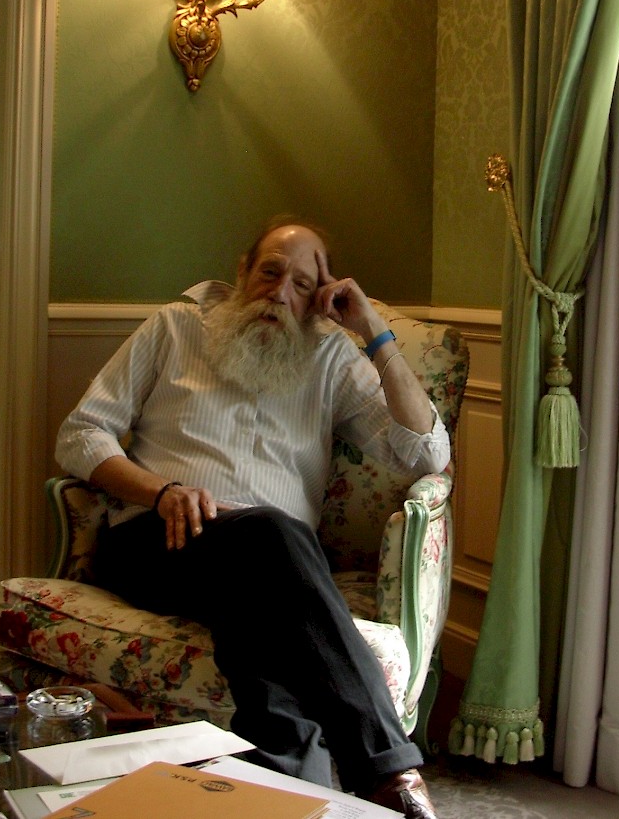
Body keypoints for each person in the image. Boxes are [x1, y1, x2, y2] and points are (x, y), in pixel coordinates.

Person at [55, 217, 449, 819]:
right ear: (243, 271)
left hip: (269, 566)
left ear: (319, 299)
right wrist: (162, 492)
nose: (280, 293)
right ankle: (389, 771)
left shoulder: (331, 357)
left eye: (302, 284)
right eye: (270, 272)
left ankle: (289, 791)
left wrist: (373, 331)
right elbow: (81, 434)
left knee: (258, 612)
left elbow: (425, 452)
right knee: (272, 535)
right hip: (157, 540)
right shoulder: (174, 327)